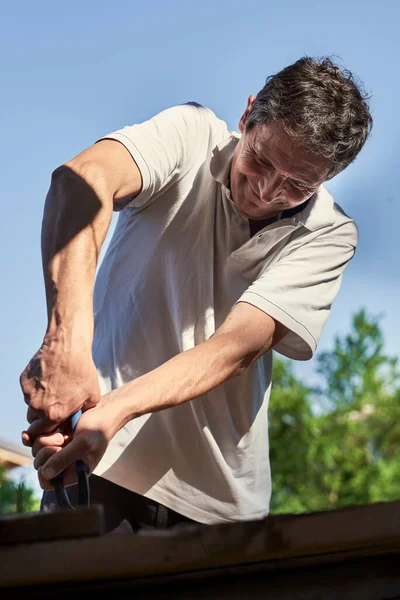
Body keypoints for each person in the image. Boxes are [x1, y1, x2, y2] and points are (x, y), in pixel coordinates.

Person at [20, 56, 372, 532]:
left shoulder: (329, 233)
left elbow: (236, 346)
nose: (267, 190)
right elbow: (81, 181)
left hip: (215, 503)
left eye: (297, 184)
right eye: (262, 160)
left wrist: (116, 409)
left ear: (326, 178)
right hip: (95, 462)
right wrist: (64, 345)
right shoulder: (190, 135)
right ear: (247, 117)